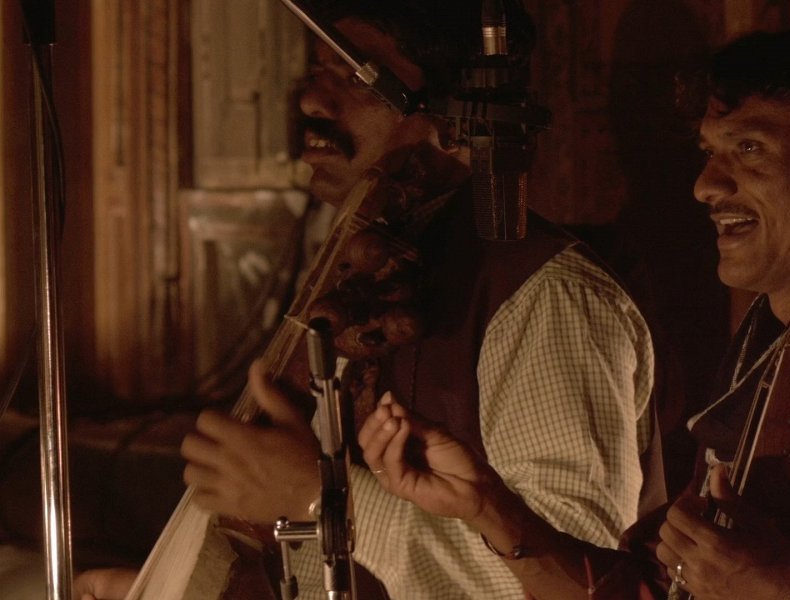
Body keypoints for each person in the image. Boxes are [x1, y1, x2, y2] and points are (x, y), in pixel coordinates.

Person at [356, 24, 790, 599]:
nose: (705, 186)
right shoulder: (766, 347)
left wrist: (773, 588)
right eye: (709, 153)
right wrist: (486, 505)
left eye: (749, 149)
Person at [76, 1, 659, 599]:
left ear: (454, 119)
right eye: (318, 70)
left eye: (356, 75)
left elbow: (579, 581)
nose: (312, 101)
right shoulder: (366, 264)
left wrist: (319, 498)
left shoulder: (546, 297)